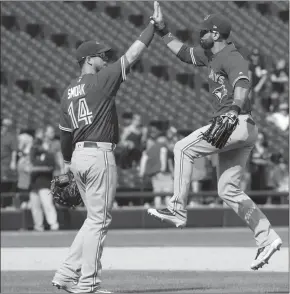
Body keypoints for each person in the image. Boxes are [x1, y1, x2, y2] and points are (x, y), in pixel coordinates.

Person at [148, 2, 282, 271]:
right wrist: (162, 30)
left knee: (182, 148)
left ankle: (177, 208)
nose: (200, 35)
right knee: (227, 189)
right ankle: (267, 238)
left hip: (234, 121)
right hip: (242, 128)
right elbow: (184, 54)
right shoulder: (211, 56)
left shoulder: (232, 56)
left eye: (204, 32)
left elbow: (242, 83)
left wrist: (233, 109)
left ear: (217, 34)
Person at [52, 4, 157, 293]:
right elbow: (132, 55)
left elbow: (64, 135)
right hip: (99, 155)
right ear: (88, 59)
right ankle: (88, 283)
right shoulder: (101, 80)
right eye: (101, 55)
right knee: (100, 220)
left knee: (93, 219)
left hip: (78, 156)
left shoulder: (67, 93)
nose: (105, 58)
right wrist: (153, 28)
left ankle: (64, 274)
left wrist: (66, 162)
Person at [29, 133, 59, 231]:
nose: (37, 147)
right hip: (34, 184)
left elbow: (50, 168)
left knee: (47, 205)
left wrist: (35, 169)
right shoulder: (33, 155)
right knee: (35, 207)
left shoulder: (49, 155)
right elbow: (29, 166)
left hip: (45, 183)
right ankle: (38, 225)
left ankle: (53, 224)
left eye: (39, 144)